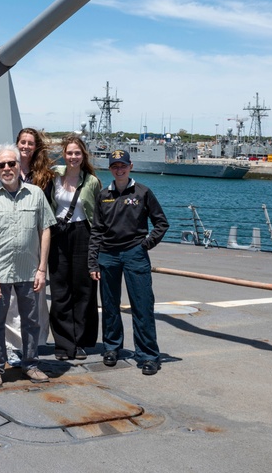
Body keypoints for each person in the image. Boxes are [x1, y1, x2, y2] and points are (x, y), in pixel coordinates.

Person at [0, 145, 55, 388]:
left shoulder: (36, 194)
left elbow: (46, 229)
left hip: (29, 271)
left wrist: (42, 269)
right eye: (2, 165)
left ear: (20, 166)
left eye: (11, 163)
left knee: (31, 321)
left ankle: (31, 364)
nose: (7, 168)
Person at [89, 149, 169, 375]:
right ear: (111, 169)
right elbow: (96, 230)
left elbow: (161, 223)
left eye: (122, 165)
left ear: (130, 166)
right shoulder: (103, 194)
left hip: (135, 254)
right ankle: (112, 348)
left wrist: (146, 244)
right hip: (108, 255)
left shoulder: (143, 192)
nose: (119, 169)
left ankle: (148, 355)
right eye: (115, 166)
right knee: (110, 305)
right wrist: (93, 262)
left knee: (142, 305)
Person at [3, 128, 55, 365]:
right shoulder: (6, 167)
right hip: (8, 239)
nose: (25, 146)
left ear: (36, 147)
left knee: (34, 294)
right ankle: (12, 346)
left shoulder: (43, 176)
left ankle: (31, 345)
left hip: (33, 239)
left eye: (30, 143)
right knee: (11, 298)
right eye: (22, 142)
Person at [48, 134, 101, 361]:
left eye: (77, 153)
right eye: (69, 153)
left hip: (83, 234)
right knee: (60, 290)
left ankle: (80, 341)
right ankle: (63, 344)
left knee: (84, 290)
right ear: (64, 155)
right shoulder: (54, 177)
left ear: (83, 156)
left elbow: (99, 215)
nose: (73, 157)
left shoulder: (92, 182)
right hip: (59, 234)